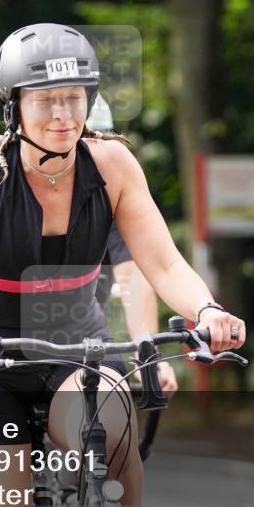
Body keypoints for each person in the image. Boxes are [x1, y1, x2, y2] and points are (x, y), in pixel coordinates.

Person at [0, 23, 245, 507]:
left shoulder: (112, 165)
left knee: (109, 433)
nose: (63, 114)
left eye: (74, 98)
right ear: (14, 105)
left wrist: (207, 310)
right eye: (45, 101)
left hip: (78, 359)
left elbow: (160, 262)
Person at [88, 96, 176, 396]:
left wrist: (147, 352)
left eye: (102, 144)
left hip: (82, 339)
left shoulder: (110, 199)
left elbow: (134, 275)